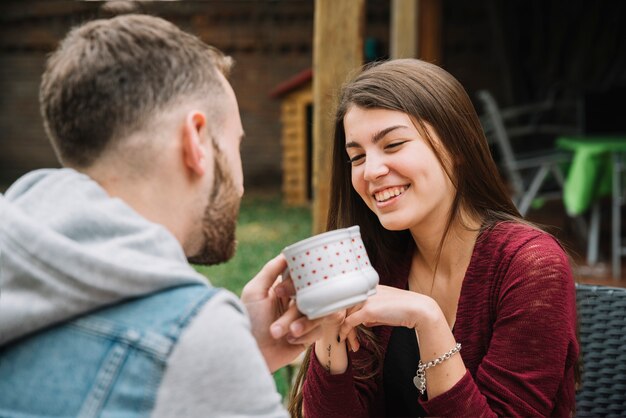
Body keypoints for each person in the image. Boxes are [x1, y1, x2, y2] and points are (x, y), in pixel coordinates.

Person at [0, 14, 318, 417]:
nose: (239, 185)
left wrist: (243, 356)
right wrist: (212, 351)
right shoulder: (194, 335)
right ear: (196, 140)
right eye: (235, 143)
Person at [288, 59, 580, 417]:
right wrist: (328, 330)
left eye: (393, 144)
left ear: (456, 146)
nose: (372, 171)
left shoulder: (530, 267)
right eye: (357, 156)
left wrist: (427, 319)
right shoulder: (373, 261)